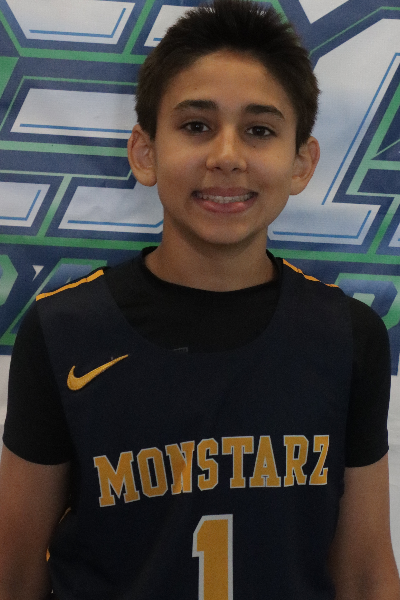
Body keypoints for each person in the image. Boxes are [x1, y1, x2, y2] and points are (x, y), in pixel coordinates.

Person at [0, 0, 399, 598]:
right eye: (196, 126)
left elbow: (366, 574)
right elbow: (14, 570)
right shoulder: (63, 332)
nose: (227, 157)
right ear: (145, 152)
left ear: (301, 162)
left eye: (259, 130)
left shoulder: (348, 336)